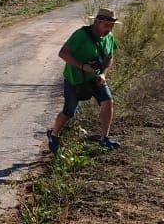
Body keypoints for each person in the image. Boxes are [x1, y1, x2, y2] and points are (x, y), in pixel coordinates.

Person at [46, 8, 120, 153]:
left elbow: (109, 58)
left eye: (112, 25)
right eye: (106, 25)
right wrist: (82, 66)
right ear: (97, 22)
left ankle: (104, 138)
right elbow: (63, 53)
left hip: (96, 79)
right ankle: (54, 133)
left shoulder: (109, 36)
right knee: (69, 112)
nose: (109, 28)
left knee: (108, 102)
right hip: (75, 80)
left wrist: (103, 74)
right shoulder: (81, 35)